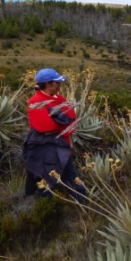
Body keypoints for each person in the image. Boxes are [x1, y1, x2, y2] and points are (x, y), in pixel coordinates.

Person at [23, 68, 86, 201]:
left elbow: (72, 124)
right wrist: (63, 124)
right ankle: (47, 211)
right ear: (48, 84)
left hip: (63, 148)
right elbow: (44, 127)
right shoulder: (35, 102)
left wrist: (57, 124)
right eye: (57, 83)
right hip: (45, 152)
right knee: (46, 182)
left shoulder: (61, 99)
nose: (60, 85)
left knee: (72, 179)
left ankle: (84, 206)